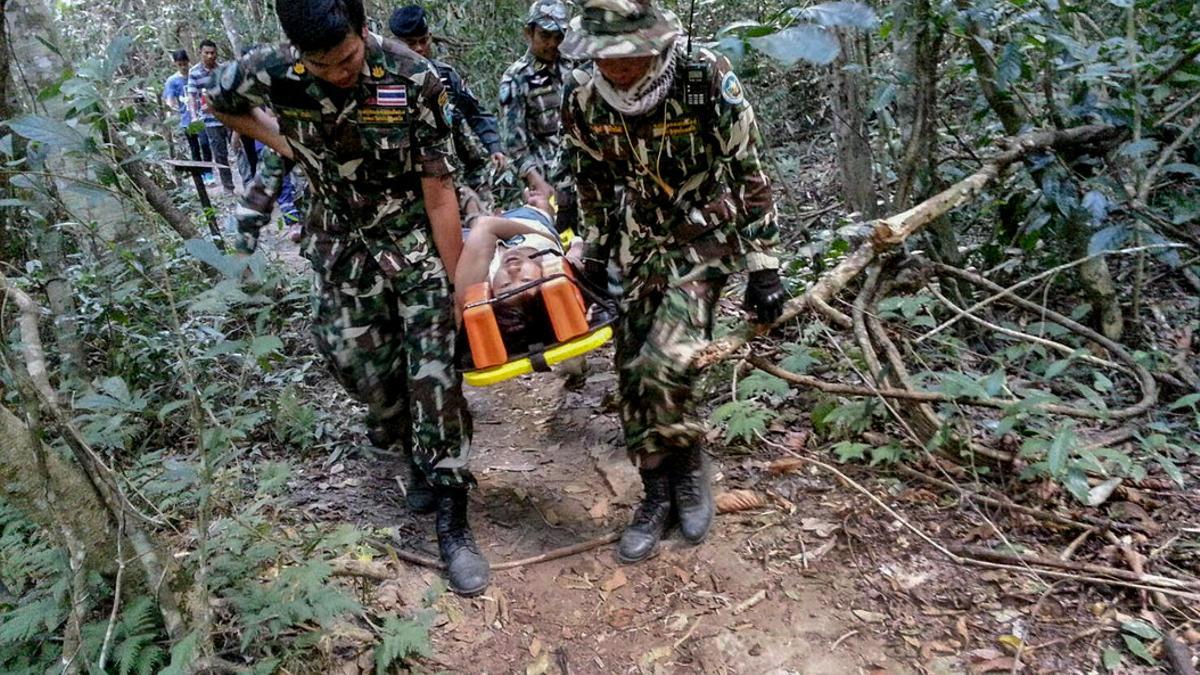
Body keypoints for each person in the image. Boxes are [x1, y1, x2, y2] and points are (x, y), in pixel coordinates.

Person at [208, 0, 487, 596]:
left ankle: (452, 512)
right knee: (358, 365)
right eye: (323, 64)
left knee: (432, 374)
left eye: (349, 58)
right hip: (338, 243)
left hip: (412, 236)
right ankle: (409, 448)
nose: (339, 72)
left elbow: (439, 189)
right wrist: (282, 142)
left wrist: (458, 281)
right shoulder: (269, 71)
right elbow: (222, 103)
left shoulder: (412, 77)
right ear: (298, 54)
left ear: (365, 31)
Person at [559, 0, 787, 563]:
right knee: (633, 367)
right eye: (605, 58)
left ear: (655, 44)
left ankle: (689, 472)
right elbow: (591, 181)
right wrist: (593, 252)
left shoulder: (703, 76)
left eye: (629, 56)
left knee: (669, 360)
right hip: (637, 242)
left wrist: (764, 266)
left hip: (704, 234)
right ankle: (656, 491)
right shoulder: (585, 99)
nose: (618, 69)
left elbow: (748, 167)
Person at [389, 5, 507, 209]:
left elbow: (475, 113)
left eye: (423, 41)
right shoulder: (387, 86)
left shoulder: (446, 76)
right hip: (411, 186)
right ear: (395, 45)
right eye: (410, 43)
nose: (418, 49)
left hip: (460, 175)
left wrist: (494, 146)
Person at [498, 0, 573, 202]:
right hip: (546, 179)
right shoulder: (516, 77)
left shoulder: (574, 65)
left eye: (558, 37)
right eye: (545, 35)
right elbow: (513, 143)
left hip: (581, 173)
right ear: (529, 33)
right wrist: (536, 180)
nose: (552, 43)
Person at [188, 39, 236, 192]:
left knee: (240, 150)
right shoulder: (194, 73)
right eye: (206, 53)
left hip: (230, 119)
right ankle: (228, 187)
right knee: (220, 155)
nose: (210, 56)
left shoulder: (224, 69)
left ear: (216, 53)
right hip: (210, 122)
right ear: (200, 53)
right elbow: (192, 96)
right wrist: (194, 116)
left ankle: (249, 184)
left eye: (213, 53)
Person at [162, 49, 212, 181]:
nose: (183, 67)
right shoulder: (172, 81)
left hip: (201, 117)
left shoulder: (195, 75)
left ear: (188, 61)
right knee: (195, 148)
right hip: (187, 119)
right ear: (175, 64)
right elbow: (169, 100)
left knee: (205, 144)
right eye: (180, 64)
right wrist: (173, 107)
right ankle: (200, 175)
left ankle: (209, 172)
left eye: (185, 63)